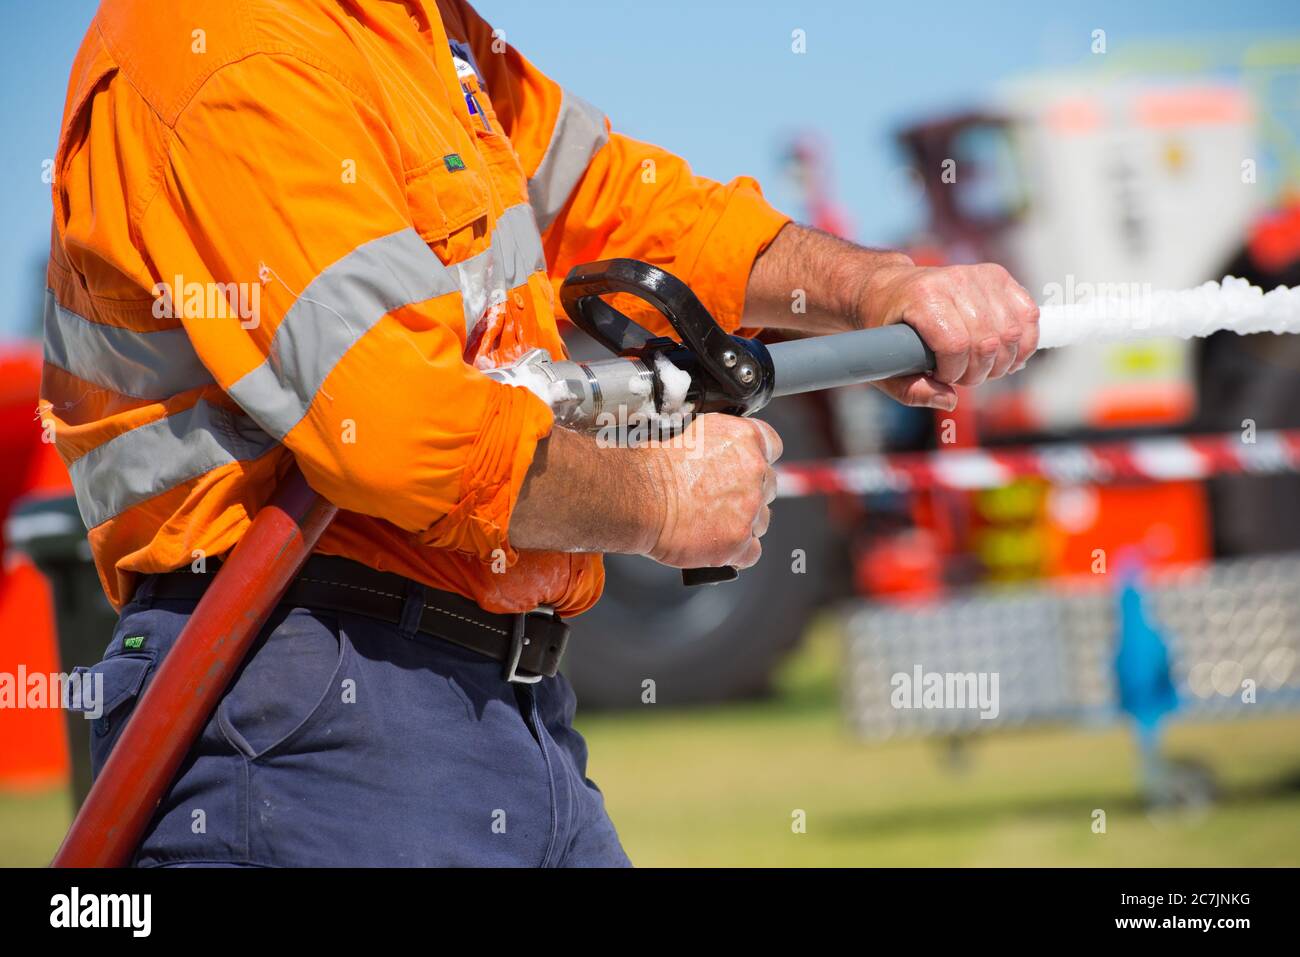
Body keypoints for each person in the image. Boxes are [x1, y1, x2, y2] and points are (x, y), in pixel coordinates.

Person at [44, 0, 1038, 866]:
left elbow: (623, 206)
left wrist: (876, 287)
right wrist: (657, 499)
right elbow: (392, 427)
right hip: (307, 703)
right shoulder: (243, 49)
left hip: (475, 694)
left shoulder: (423, 35)